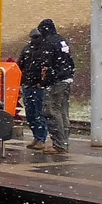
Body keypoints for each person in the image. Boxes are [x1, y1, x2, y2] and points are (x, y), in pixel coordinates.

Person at [37, 18, 75, 154]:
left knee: (51, 111)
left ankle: (59, 145)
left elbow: (46, 65)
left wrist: (44, 81)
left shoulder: (48, 42)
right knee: (63, 112)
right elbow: (69, 61)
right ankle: (64, 142)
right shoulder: (61, 40)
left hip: (56, 82)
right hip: (66, 79)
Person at [17, 29, 49, 150]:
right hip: (27, 85)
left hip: (38, 86)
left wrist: (42, 82)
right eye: (32, 37)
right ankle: (36, 137)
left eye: (36, 37)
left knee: (39, 113)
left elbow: (47, 68)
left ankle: (41, 139)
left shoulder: (44, 50)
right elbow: (20, 65)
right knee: (30, 114)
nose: (34, 40)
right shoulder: (26, 49)